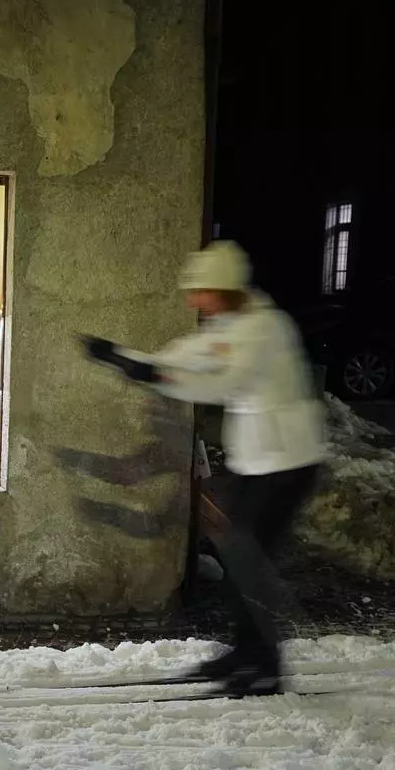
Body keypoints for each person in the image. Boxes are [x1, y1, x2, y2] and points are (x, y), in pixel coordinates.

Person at [80, 240, 326, 697]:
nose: (194, 301)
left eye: (202, 291)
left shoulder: (264, 330)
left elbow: (224, 384)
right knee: (239, 559)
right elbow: (184, 356)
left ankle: (265, 666)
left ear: (224, 287)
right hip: (258, 462)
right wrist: (124, 356)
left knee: (248, 560)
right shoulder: (231, 324)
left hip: (289, 462)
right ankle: (245, 654)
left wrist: (156, 377)